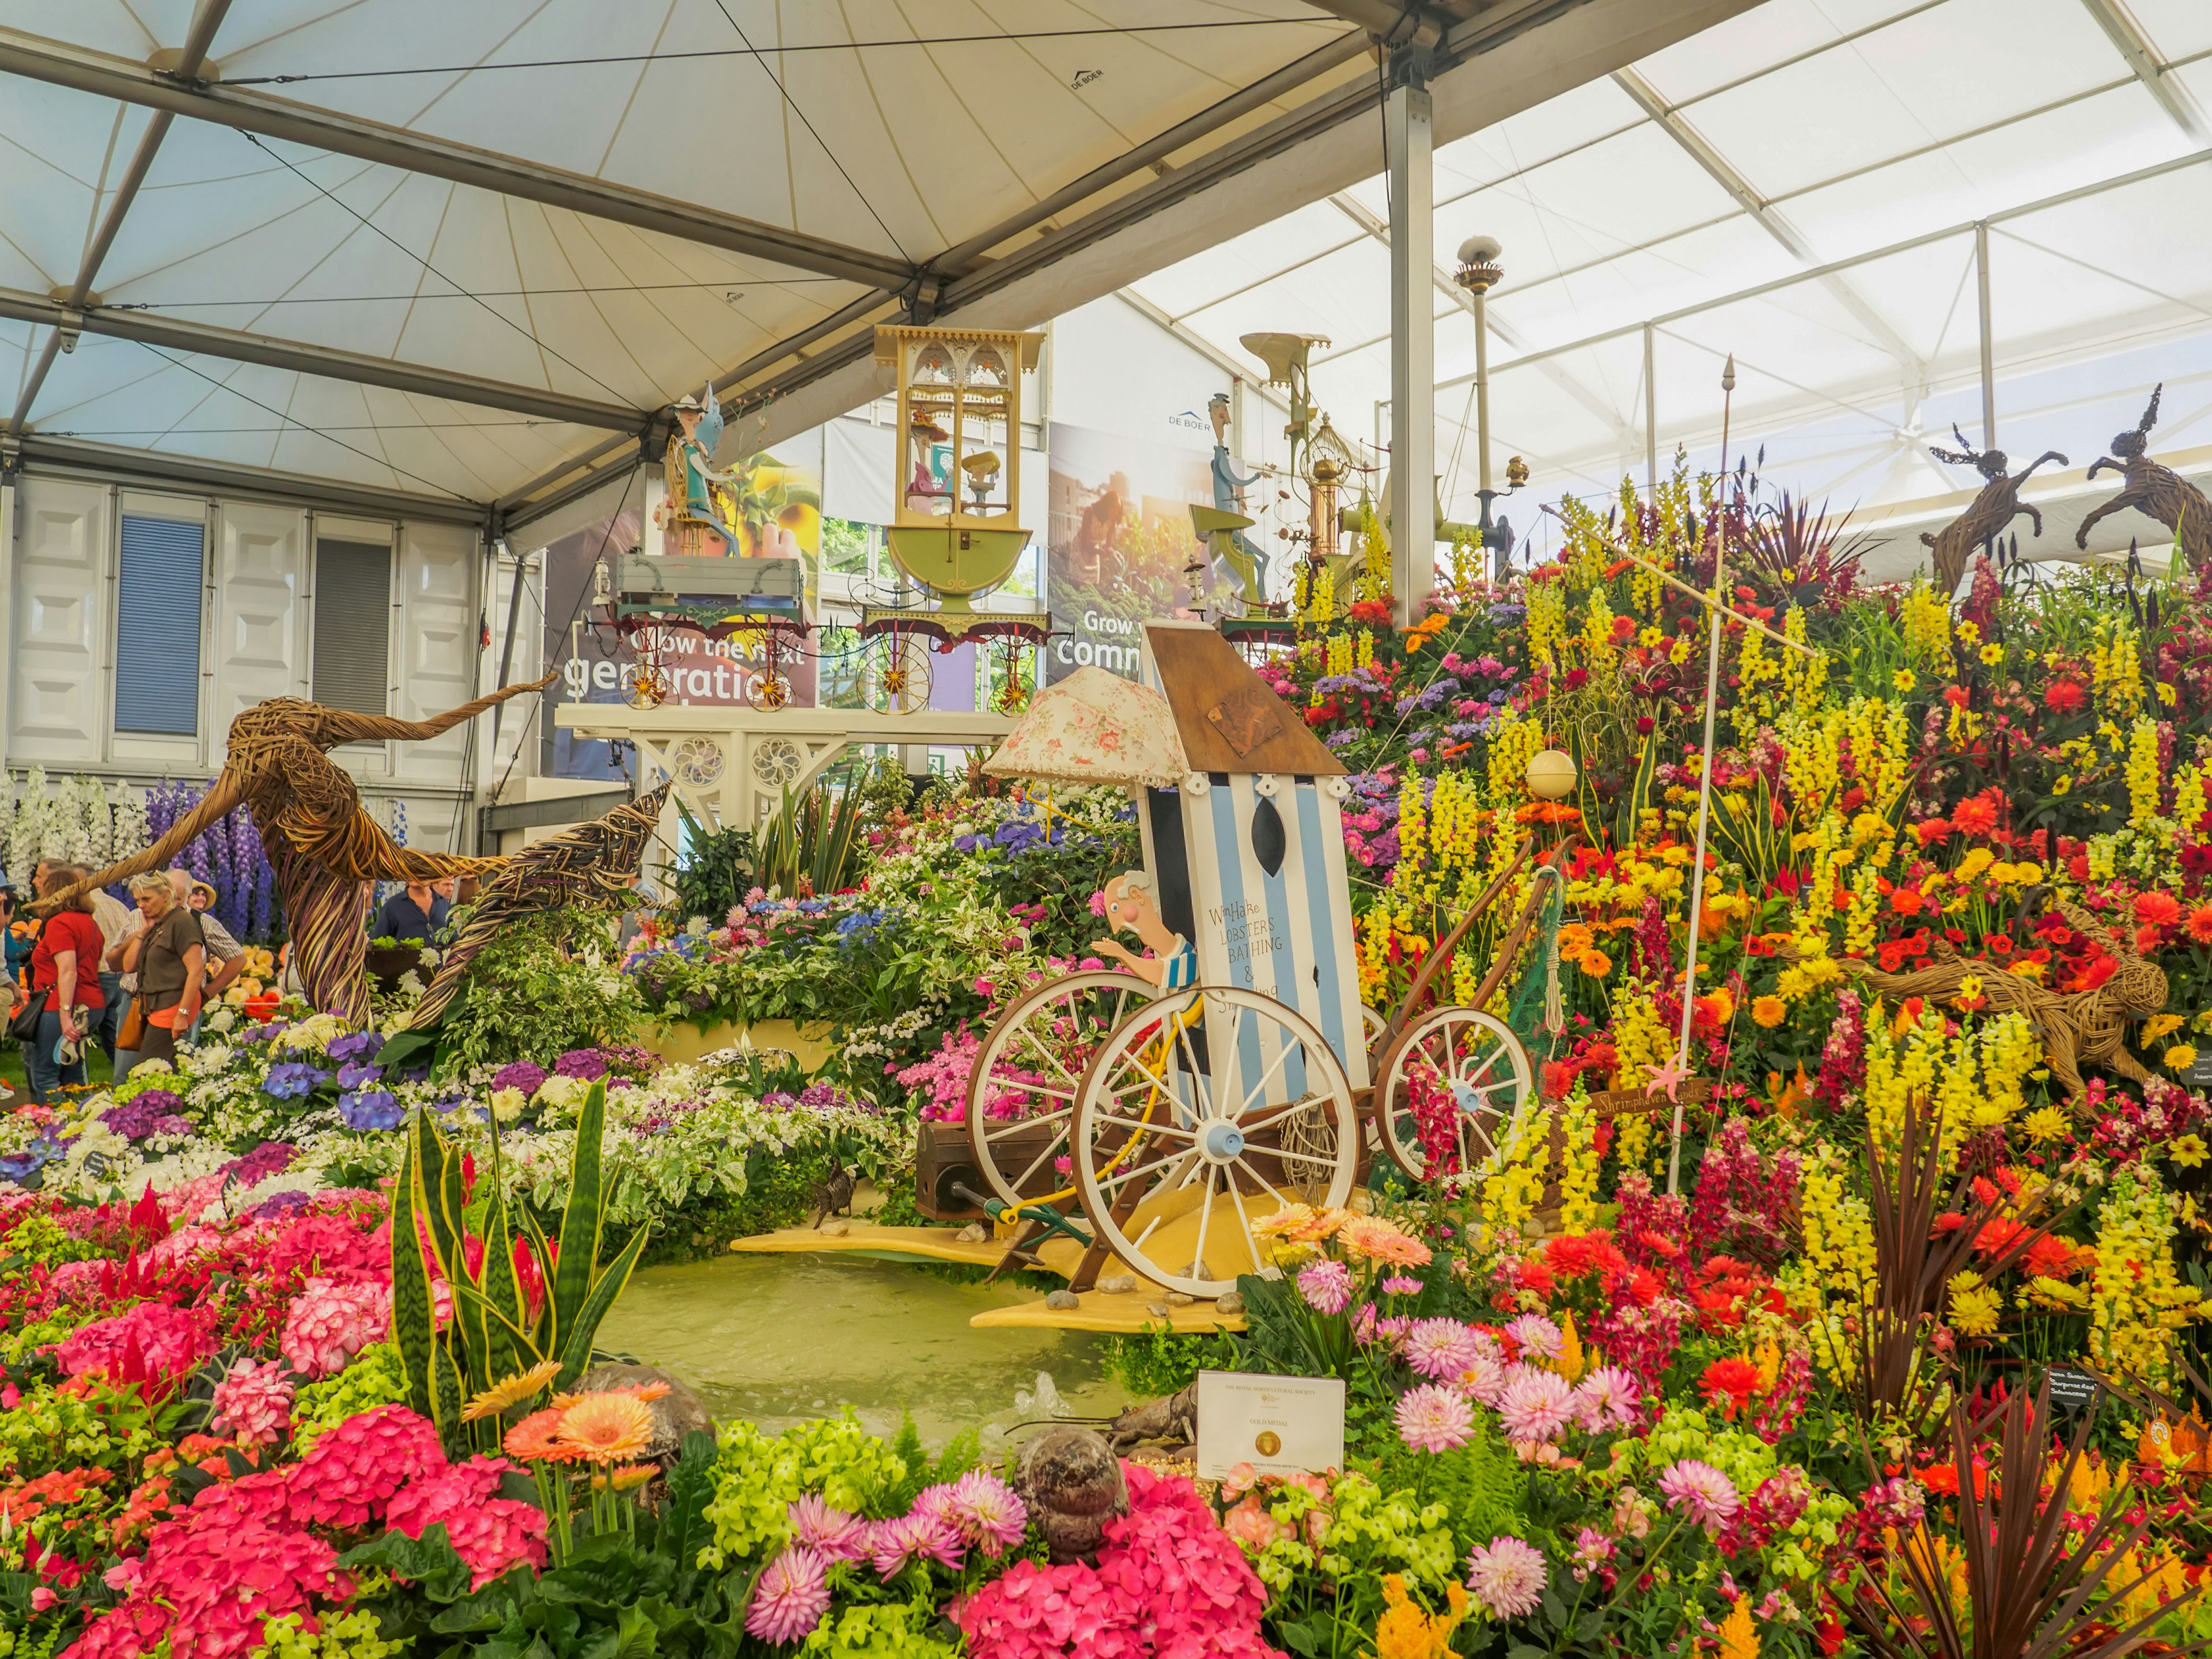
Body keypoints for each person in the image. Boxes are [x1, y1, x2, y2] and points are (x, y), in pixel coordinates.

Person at [22, 868, 105, 1101]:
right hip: (92, 1003)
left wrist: (65, 1014)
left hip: (62, 1004)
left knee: (45, 1075)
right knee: (73, 1073)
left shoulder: (60, 924)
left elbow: (68, 970)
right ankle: (82, 1127)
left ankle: (55, 1131)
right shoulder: (91, 924)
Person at [123, 873, 203, 1069]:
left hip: (172, 1005)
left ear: (166, 895)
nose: (141, 905)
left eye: (146, 899)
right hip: (155, 1006)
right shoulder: (158, 924)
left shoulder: (181, 922)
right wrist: (143, 933)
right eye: (138, 900)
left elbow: (196, 970)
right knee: (161, 1071)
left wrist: (182, 1014)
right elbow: (128, 967)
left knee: (148, 1070)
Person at [81, 866, 131, 1065]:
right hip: (120, 976)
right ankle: (126, 1079)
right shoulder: (118, 905)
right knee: (116, 1037)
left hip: (97, 976)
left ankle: (77, 1084)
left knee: (79, 1034)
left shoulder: (86, 906)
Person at [374, 880, 449, 944]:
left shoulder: (443, 904)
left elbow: (453, 940)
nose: (414, 875)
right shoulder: (392, 906)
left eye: (419, 870)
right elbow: (377, 944)